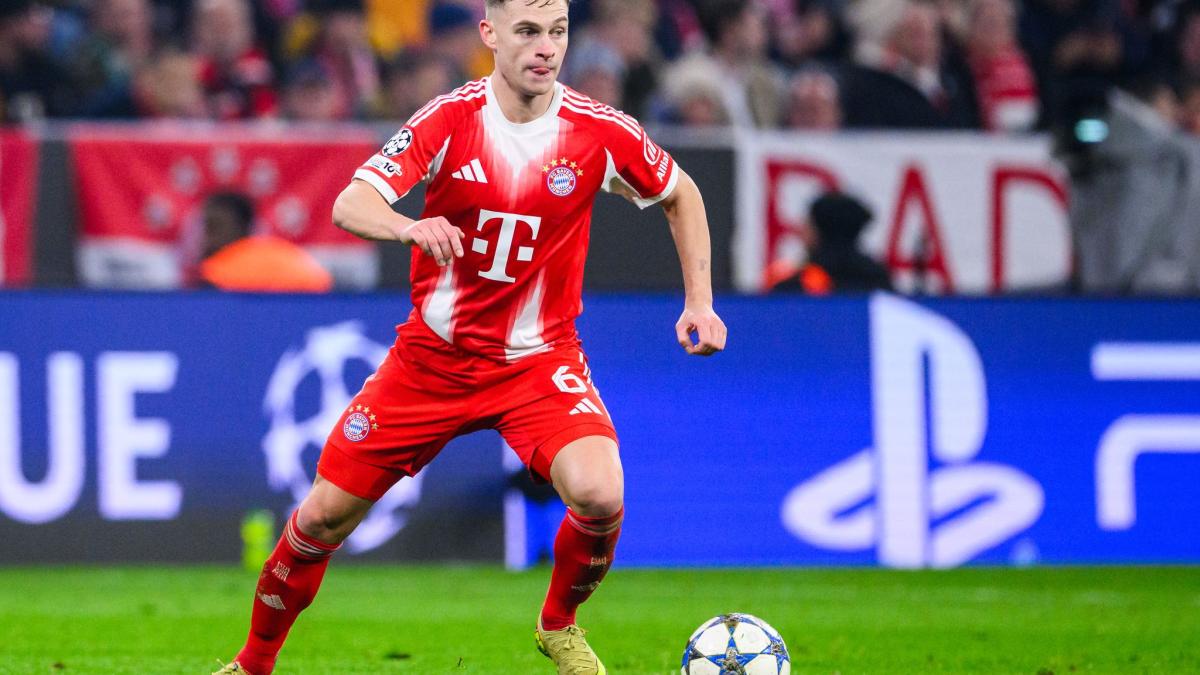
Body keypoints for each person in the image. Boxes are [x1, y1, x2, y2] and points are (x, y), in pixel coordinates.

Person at [214, 1, 726, 674]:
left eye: (557, 32)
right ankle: (252, 663)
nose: (545, 48)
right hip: (431, 362)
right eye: (528, 32)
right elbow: (350, 203)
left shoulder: (599, 130)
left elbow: (681, 193)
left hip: (538, 360)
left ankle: (558, 625)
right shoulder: (450, 119)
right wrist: (407, 226)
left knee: (601, 493)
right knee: (320, 518)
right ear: (490, 34)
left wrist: (700, 301)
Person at [197, 191, 334, 292]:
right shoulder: (284, 254)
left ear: (242, 227)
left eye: (215, 227)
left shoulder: (216, 272)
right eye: (206, 228)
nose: (208, 237)